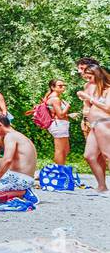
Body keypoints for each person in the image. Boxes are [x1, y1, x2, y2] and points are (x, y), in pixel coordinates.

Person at [76, 58, 110, 191]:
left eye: (89, 77)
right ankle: (102, 186)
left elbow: (108, 108)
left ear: (97, 75)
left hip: (104, 123)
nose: (87, 80)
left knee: (107, 155)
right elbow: (87, 106)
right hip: (93, 124)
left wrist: (89, 98)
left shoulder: (107, 89)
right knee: (89, 156)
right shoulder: (89, 87)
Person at [0, 114, 37, 191]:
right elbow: (4, 160)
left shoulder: (10, 136)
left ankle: (22, 192)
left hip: (23, 179)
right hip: (24, 177)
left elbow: (7, 160)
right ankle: (13, 189)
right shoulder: (15, 135)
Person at [41, 79, 72, 166]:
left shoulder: (55, 98)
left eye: (64, 85)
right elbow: (61, 115)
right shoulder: (55, 99)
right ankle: (58, 172)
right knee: (60, 150)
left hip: (61, 125)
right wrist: (67, 107)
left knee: (66, 149)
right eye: (60, 86)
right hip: (59, 125)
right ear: (52, 87)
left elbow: (57, 113)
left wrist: (68, 115)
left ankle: (59, 168)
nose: (63, 87)